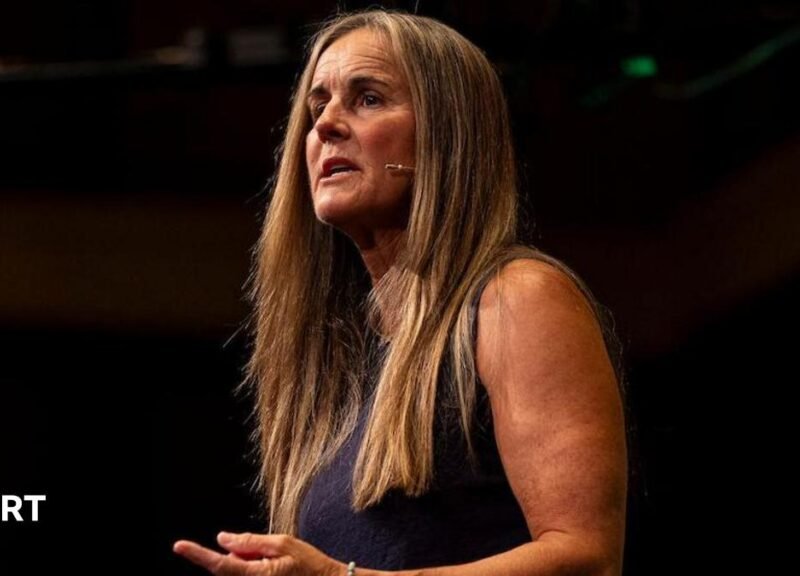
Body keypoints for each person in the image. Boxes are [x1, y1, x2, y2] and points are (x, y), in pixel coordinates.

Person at [174, 8, 628, 576]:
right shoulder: (339, 356)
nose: (326, 126)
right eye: (318, 106)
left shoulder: (517, 298)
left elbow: (584, 558)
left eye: (367, 98)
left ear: (446, 135)